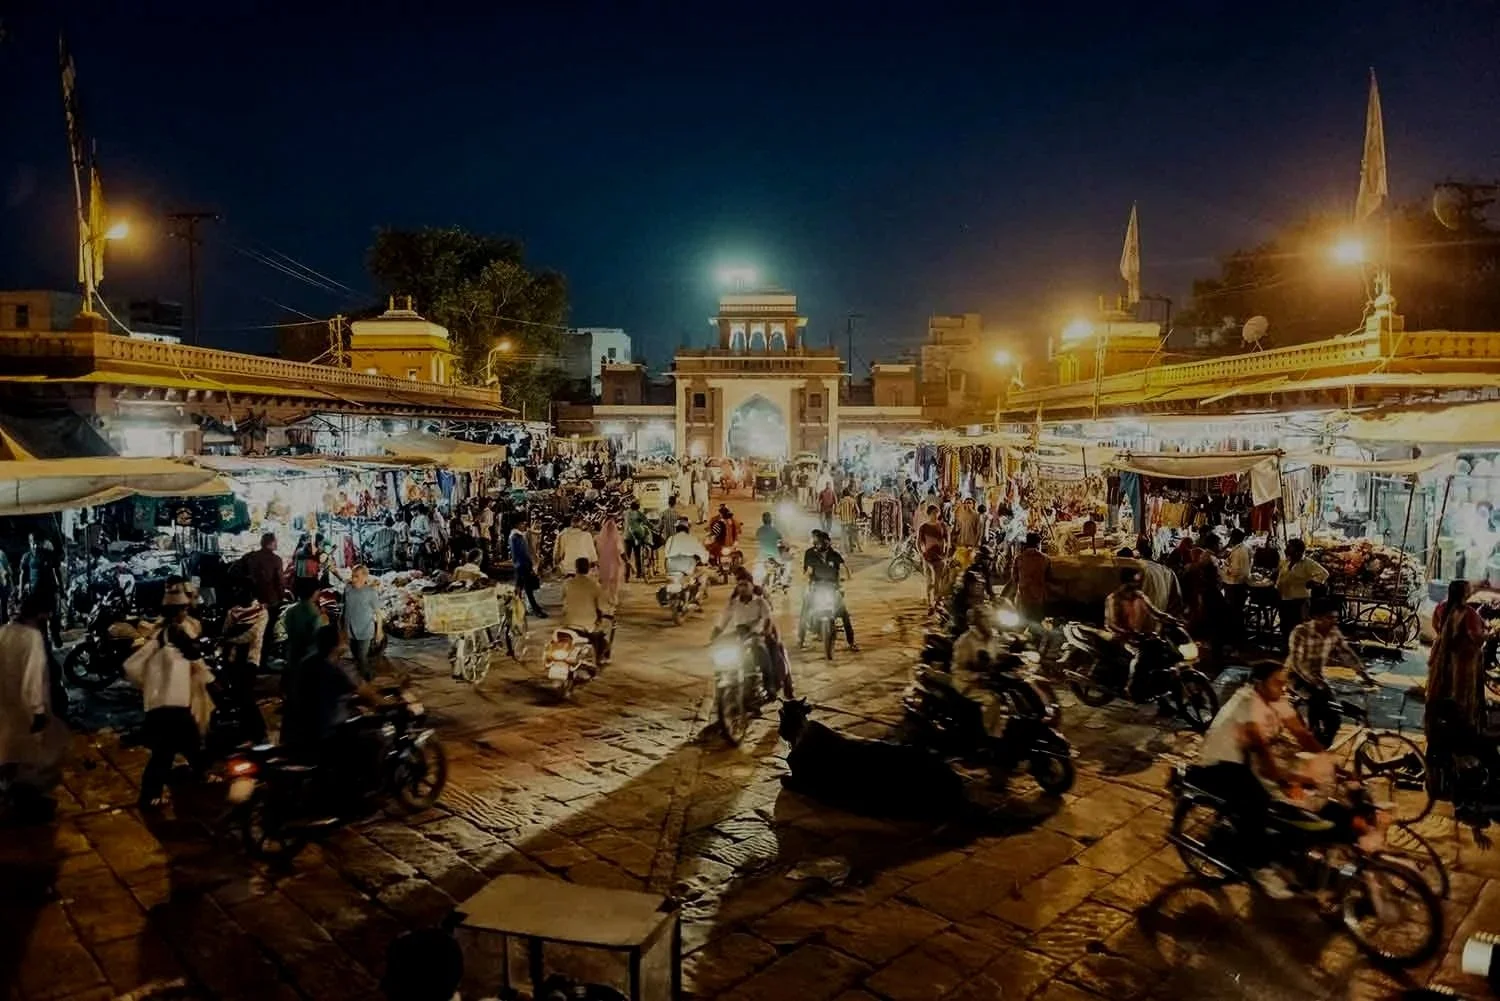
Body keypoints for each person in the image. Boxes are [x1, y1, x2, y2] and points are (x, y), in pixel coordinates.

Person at [1193, 658, 1326, 899]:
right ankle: (1258, 868)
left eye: (1284, 683)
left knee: (1296, 797)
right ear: (1259, 683)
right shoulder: (1247, 703)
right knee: (1259, 803)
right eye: (1277, 683)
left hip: (1245, 760)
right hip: (1222, 764)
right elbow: (1262, 752)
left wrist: (1329, 760)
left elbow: (1301, 734)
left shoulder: (1277, 699)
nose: (1283, 688)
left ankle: (1283, 852)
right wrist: (1286, 780)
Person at [125, 584, 211, 809]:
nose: (186, 611)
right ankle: (149, 796)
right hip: (166, 705)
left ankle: (201, 774)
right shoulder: (164, 638)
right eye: (183, 608)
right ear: (177, 612)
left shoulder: (174, 634)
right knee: (164, 752)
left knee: (190, 741)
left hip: (178, 702)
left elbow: (194, 658)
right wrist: (151, 686)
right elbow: (131, 667)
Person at [0, 594, 67, 819]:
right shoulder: (33, 637)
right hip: (25, 710)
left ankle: (11, 793)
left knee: (8, 755)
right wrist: (38, 711)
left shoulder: (4, 631)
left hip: (5, 707)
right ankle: (24, 802)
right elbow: (33, 678)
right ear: (41, 614)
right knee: (32, 757)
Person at [1426, 579, 1486, 736]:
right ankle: (1460, 726)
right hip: (1463, 659)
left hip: (1442, 653)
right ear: (1465, 593)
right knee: (1460, 690)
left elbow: (1436, 626)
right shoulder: (1469, 613)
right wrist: (1491, 635)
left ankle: (1437, 720)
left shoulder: (1440, 607)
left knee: (1441, 686)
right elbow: (1476, 637)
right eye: (1469, 589)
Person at [711, 570, 776, 695]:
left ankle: (769, 685)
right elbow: (723, 620)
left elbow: (767, 619)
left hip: (755, 635)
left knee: (763, 654)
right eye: (740, 585)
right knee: (720, 654)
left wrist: (765, 631)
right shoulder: (733, 603)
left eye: (745, 585)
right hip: (739, 635)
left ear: (752, 585)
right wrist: (715, 634)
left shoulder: (760, 602)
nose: (742, 588)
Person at [219, 584, 270, 743]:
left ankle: (260, 733)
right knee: (240, 695)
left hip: (250, 658)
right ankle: (248, 731)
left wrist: (230, 638)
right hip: (234, 658)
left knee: (245, 695)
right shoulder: (234, 612)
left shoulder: (261, 612)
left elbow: (252, 635)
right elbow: (225, 631)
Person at [799, 530, 857, 650]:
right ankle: (801, 639)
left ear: (827, 543)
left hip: (832, 588)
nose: (821, 545)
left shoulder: (835, 555)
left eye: (823, 542)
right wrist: (806, 578)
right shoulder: (810, 554)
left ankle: (851, 642)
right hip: (816, 588)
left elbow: (844, 568)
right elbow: (808, 570)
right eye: (819, 543)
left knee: (844, 614)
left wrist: (847, 576)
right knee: (804, 612)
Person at [1276, 538, 1328, 645]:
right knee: (1285, 625)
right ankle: (1287, 647)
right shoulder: (1286, 562)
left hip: (1299, 600)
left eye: (1289, 547)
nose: (1287, 549)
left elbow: (1324, 573)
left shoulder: (1307, 563)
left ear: (1298, 551)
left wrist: (1313, 582)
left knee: (1298, 626)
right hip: (1285, 598)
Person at [562, 557, 610, 664]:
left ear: (576, 568)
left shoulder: (567, 584)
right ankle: (596, 662)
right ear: (588, 568)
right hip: (587, 627)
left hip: (569, 624)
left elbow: (564, 602)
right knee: (600, 636)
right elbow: (602, 607)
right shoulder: (594, 585)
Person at [342, 565, 382, 681]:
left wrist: (379, 631)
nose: (354, 579)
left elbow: (378, 614)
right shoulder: (348, 589)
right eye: (353, 576)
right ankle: (363, 679)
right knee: (356, 657)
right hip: (350, 631)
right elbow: (344, 609)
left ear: (365, 577)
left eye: (357, 576)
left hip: (365, 632)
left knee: (361, 657)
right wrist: (342, 627)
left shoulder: (371, 592)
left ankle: (368, 680)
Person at [508, 515, 547, 617]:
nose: (524, 526)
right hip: (522, 566)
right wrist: (530, 566)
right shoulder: (517, 537)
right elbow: (523, 554)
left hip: (519, 565)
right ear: (517, 525)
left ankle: (516, 608)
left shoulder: (515, 536)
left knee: (519, 588)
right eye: (523, 524)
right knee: (528, 589)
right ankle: (534, 609)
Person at [1220, 529, 1252, 648]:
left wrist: (1224, 567)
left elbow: (1237, 571)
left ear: (1235, 538)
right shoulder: (1240, 548)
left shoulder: (1240, 551)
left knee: (1235, 612)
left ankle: (1237, 639)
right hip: (1235, 584)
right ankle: (1237, 638)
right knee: (1235, 612)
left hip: (1235, 584)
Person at [1010, 532, 1049, 623]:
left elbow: (1014, 578)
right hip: (1038, 598)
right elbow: (1048, 578)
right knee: (1037, 624)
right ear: (1038, 544)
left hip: (1023, 598)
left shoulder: (1019, 558)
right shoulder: (1045, 559)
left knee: (1022, 624)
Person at [917, 505, 948, 611]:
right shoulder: (923, 527)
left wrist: (946, 554)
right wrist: (922, 553)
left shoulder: (943, 526)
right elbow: (918, 542)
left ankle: (936, 601)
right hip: (928, 558)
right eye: (934, 513)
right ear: (929, 514)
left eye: (937, 513)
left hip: (939, 558)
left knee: (938, 582)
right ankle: (930, 601)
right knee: (929, 581)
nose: (936, 515)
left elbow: (947, 541)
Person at [597, 517, 626, 607]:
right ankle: (613, 599)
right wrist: (627, 561)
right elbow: (621, 551)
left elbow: (597, 551)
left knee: (605, 583)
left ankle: (606, 600)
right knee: (614, 583)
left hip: (604, 563)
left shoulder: (599, 538)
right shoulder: (616, 538)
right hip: (615, 563)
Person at [952, 497, 982, 571]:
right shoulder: (960, 516)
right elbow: (956, 529)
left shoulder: (976, 516)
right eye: (966, 502)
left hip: (970, 546)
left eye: (969, 503)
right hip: (961, 545)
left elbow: (979, 532)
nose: (967, 504)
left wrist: (975, 546)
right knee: (957, 567)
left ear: (973, 505)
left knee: (968, 567)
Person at [625, 502, 652, 580]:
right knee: (637, 555)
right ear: (638, 507)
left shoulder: (626, 513)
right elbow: (647, 522)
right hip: (635, 537)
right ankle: (639, 573)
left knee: (627, 557)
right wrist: (653, 527)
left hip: (626, 537)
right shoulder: (639, 513)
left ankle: (626, 576)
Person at [836, 489, 861, 553]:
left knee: (843, 535)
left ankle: (843, 549)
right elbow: (858, 511)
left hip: (843, 521)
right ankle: (853, 548)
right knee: (852, 534)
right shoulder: (853, 500)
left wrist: (840, 514)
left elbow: (837, 511)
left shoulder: (841, 501)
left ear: (843, 494)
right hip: (851, 520)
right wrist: (855, 516)